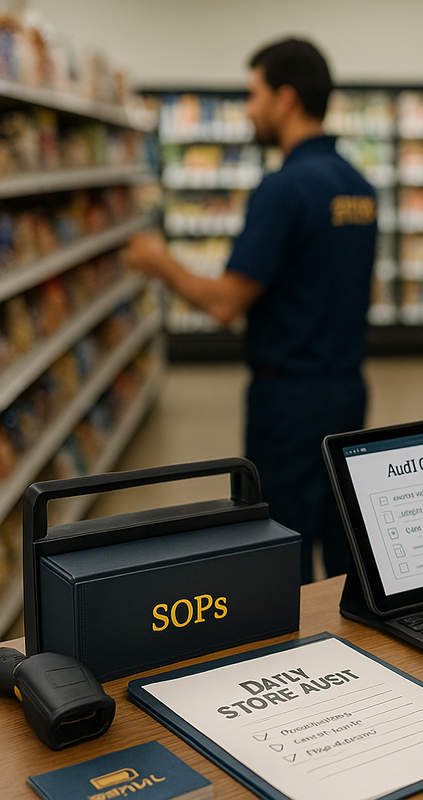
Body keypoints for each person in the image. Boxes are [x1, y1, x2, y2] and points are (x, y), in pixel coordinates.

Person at [123, 38, 377, 583]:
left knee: (282, 548)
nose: (249, 109)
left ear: (285, 98)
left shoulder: (283, 189)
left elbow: (224, 303)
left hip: (286, 401)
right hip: (347, 388)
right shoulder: (360, 187)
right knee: (346, 545)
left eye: (253, 94)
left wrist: (160, 261)